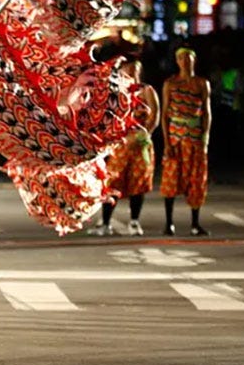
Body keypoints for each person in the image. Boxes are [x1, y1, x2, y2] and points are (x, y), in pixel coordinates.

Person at [90, 60, 160, 236]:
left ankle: (134, 221)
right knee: (112, 182)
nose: (132, 74)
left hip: (140, 144)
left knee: (138, 182)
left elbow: (155, 115)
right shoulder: (117, 91)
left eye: (135, 70)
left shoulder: (147, 90)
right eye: (128, 70)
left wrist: (144, 134)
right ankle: (105, 222)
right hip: (119, 145)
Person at [160, 48, 211, 236]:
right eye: (181, 58)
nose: (184, 62)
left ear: (194, 60)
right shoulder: (170, 84)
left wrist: (205, 138)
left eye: (188, 58)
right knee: (171, 180)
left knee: (196, 180)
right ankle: (169, 223)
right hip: (175, 138)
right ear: (177, 61)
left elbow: (206, 112)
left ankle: (195, 224)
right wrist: (166, 142)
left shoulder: (201, 83)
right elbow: (165, 113)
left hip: (195, 138)